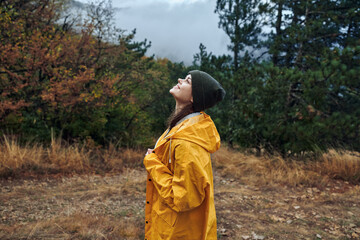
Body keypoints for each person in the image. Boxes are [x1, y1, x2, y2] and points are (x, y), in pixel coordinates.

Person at [143, 70, 226, 240]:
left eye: (187, 81)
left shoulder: (187, 143)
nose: (180, 80)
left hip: (178, 232)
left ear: (194, 97)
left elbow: (182, 198)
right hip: (170, 223)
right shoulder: (181, 127)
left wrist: (152, 163)